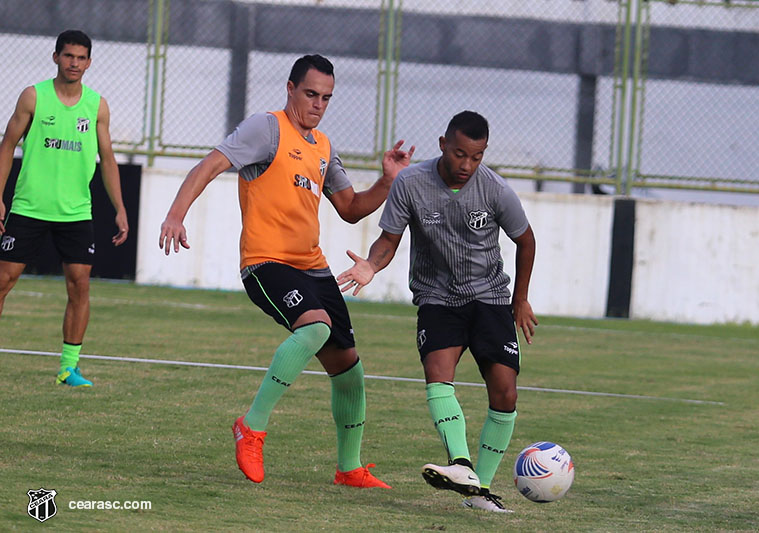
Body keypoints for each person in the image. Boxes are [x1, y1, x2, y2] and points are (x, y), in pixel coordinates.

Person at [158, 54, 414, 488]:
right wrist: (176, 214)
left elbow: (351, 209)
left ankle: (349, 468)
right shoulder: (266, 128)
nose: (317, 104)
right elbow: (211, 164)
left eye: (326, 98)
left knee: (349, 369)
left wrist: (388, 181)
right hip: (266, 262)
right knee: (314, 328)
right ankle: (251, 427)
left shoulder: (323, 146)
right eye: (311, 94)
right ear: (290, 88)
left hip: (312, 266)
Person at [338, 110, 537, 512]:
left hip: (490, 297)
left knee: (505, 392)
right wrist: (371, 266)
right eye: (460, 153)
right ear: (443, 143)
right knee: (438, 375)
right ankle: (461, 465)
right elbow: (388, 239)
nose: (467, 165)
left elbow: (526, 240)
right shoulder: (411, 183)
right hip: (437, 297)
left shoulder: (495, 190)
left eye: (476, 156)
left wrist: (520, 298)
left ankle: (477, 493)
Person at [0, 30, 129, 387]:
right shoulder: (33, 96)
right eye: (68, 56)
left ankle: (68, 368)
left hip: (75, 213)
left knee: (79, 286)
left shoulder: (97, 105)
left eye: (81, 57)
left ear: (89, 62)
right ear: (55, 57)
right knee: (3, 280)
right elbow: (7, 145)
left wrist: (119, 208)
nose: (74, 63)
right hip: (29, 207)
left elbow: (107, 160)